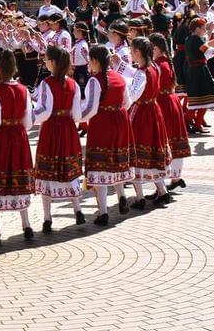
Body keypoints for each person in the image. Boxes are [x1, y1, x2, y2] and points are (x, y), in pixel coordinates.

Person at [0, 49, 35, 246]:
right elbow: (28, 121)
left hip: (2, 137)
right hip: (19, 136)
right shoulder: (23, 90)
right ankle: (26, 224)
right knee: (18, 175)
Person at [78, 45, 133, 226]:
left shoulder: (95, 81)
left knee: (100, 166)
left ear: (95, 61)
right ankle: (122, 196)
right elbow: (127, 101)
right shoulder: (119, 77)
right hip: (120, 120)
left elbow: (90, 108)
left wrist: (75, 118)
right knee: (115, 159)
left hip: (102, 123)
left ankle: (103, 213)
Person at [32, 44, 85, 233]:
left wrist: (29, 115)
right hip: (68, 128)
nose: (44, 62)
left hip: (52, 129)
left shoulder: (47, 83)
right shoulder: (73, 84)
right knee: (69, 169)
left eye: (46, 59)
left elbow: (44, 111)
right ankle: (78, 210)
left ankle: (47, 219)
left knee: (47, 171)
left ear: (52, 62)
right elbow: (77, 115)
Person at [125, 36, 171, 208]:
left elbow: (133, 95)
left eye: (132, 50)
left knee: (136, 154)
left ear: (138, 52)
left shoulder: (141, 72)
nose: (130, 52)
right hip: (154, 110)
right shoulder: (154, 67)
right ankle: (163, 192)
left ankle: (140, 197)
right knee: (152, 153)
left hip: (142, 114)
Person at [151, 33, 190, 190]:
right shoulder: (164, 61)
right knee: (172, 140)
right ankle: (175, 178)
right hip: (169, 101)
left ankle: (169, 180)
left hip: (164, 103)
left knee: (167, 141)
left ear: (156, 48)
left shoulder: (161, 65)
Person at [183, 18, 214, 132]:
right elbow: (206, 48)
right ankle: (189, 122)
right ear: (197, 29)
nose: (205, 30)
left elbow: (207, 47)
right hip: (199, 71)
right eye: (203, 28)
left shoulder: (190, 38)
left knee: (201, 100)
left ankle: (193, 123)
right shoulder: (195, 39)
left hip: (195, 70)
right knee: (204, 98)